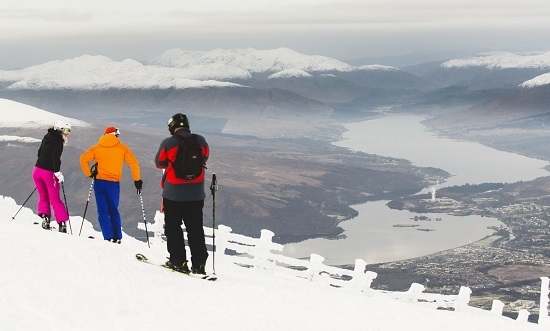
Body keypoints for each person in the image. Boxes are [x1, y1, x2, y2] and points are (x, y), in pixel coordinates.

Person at [154, 113, 209, 274]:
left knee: (173, 228)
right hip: (196, 194)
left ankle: (178, 262)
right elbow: (205, 157)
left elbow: (159, 163)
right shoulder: (201, 141)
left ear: (172, 127)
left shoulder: (168, 143)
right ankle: (199, 265)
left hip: (173, 194)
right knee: (195, 228)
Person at [79, 126, 142, 244]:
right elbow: (134, 163)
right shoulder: (122, 148)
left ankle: (108, 237)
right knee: (113, 210)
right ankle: (117, 237)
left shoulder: (96, 148)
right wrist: (137, 180)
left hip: (99, 183)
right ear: (116, 135)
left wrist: (89, 173)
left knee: (102, 211)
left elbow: (83, 159)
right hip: (113, 184)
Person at [32, 120, 71, 233]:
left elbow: (39, 153)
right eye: (66, 131)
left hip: (37, 170)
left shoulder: (47, 136)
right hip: (49, 173)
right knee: (55, 199)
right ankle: (62, 223)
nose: (67, 134)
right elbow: (55, 158)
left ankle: (45, 219)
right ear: (60, 129)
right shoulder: (58, 141)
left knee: (43, 197)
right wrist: (57, 173)